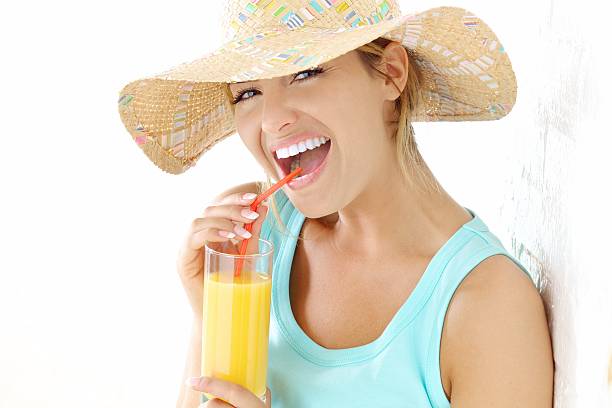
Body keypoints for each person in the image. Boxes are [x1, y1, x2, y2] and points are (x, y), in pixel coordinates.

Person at [117, 2, 554, 407]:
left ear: (390, 73)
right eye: (247, 93)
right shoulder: (253, 238)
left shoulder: (487, 306)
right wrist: (208, 315)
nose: (272, 120)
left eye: (305, 72)